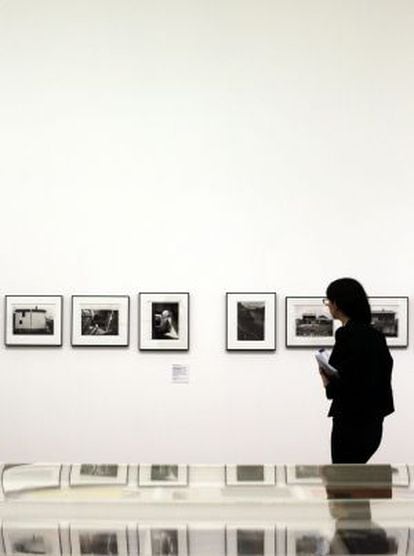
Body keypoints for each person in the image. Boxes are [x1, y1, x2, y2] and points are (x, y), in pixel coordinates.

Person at [320, 278, 394, 463]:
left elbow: (342, 381)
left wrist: (325, 377)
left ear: (337, 303)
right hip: (374, 422)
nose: (328, 305)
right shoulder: (376, 336)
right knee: (359, 476)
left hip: (350, 421)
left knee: (343, 481)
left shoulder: (346, 334)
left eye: (328, 301)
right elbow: (383, 371)